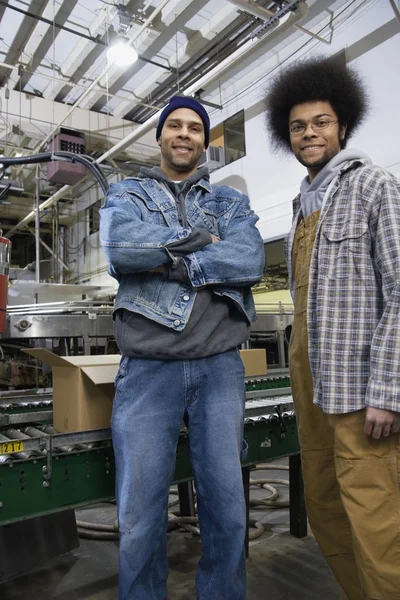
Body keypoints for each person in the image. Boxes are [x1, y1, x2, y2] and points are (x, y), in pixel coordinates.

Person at [99, 95, 264, 599]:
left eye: (195, 127)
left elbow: (250, 259)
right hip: (150, 369)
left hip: (219, 368)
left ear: (204, 141)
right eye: (175, 125)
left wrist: (169, 256)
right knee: (140, 516)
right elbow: (122, 248)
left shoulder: (229, 201)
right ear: (160, 136)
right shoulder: (126, 193)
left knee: (228, 510)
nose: (185, 134)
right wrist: (203, 245)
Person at [264, 56, 400, 600]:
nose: (309, 133)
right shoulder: (303, 204)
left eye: (321, 122)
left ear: (342, 125)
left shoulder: (374, 186)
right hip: (312, 393)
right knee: (326, 515)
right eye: (298, 126)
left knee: (378, 528)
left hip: (362, 399)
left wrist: (388, 393)